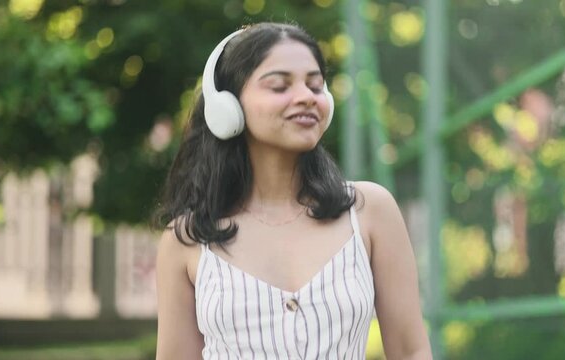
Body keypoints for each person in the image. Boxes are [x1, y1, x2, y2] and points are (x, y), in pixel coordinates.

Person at [154, 22, 432, 360]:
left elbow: (411, 351)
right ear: (228, 107)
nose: (305, 97)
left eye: (315, 85)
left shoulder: (370, 211)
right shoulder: (186, 239)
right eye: (279, 86)